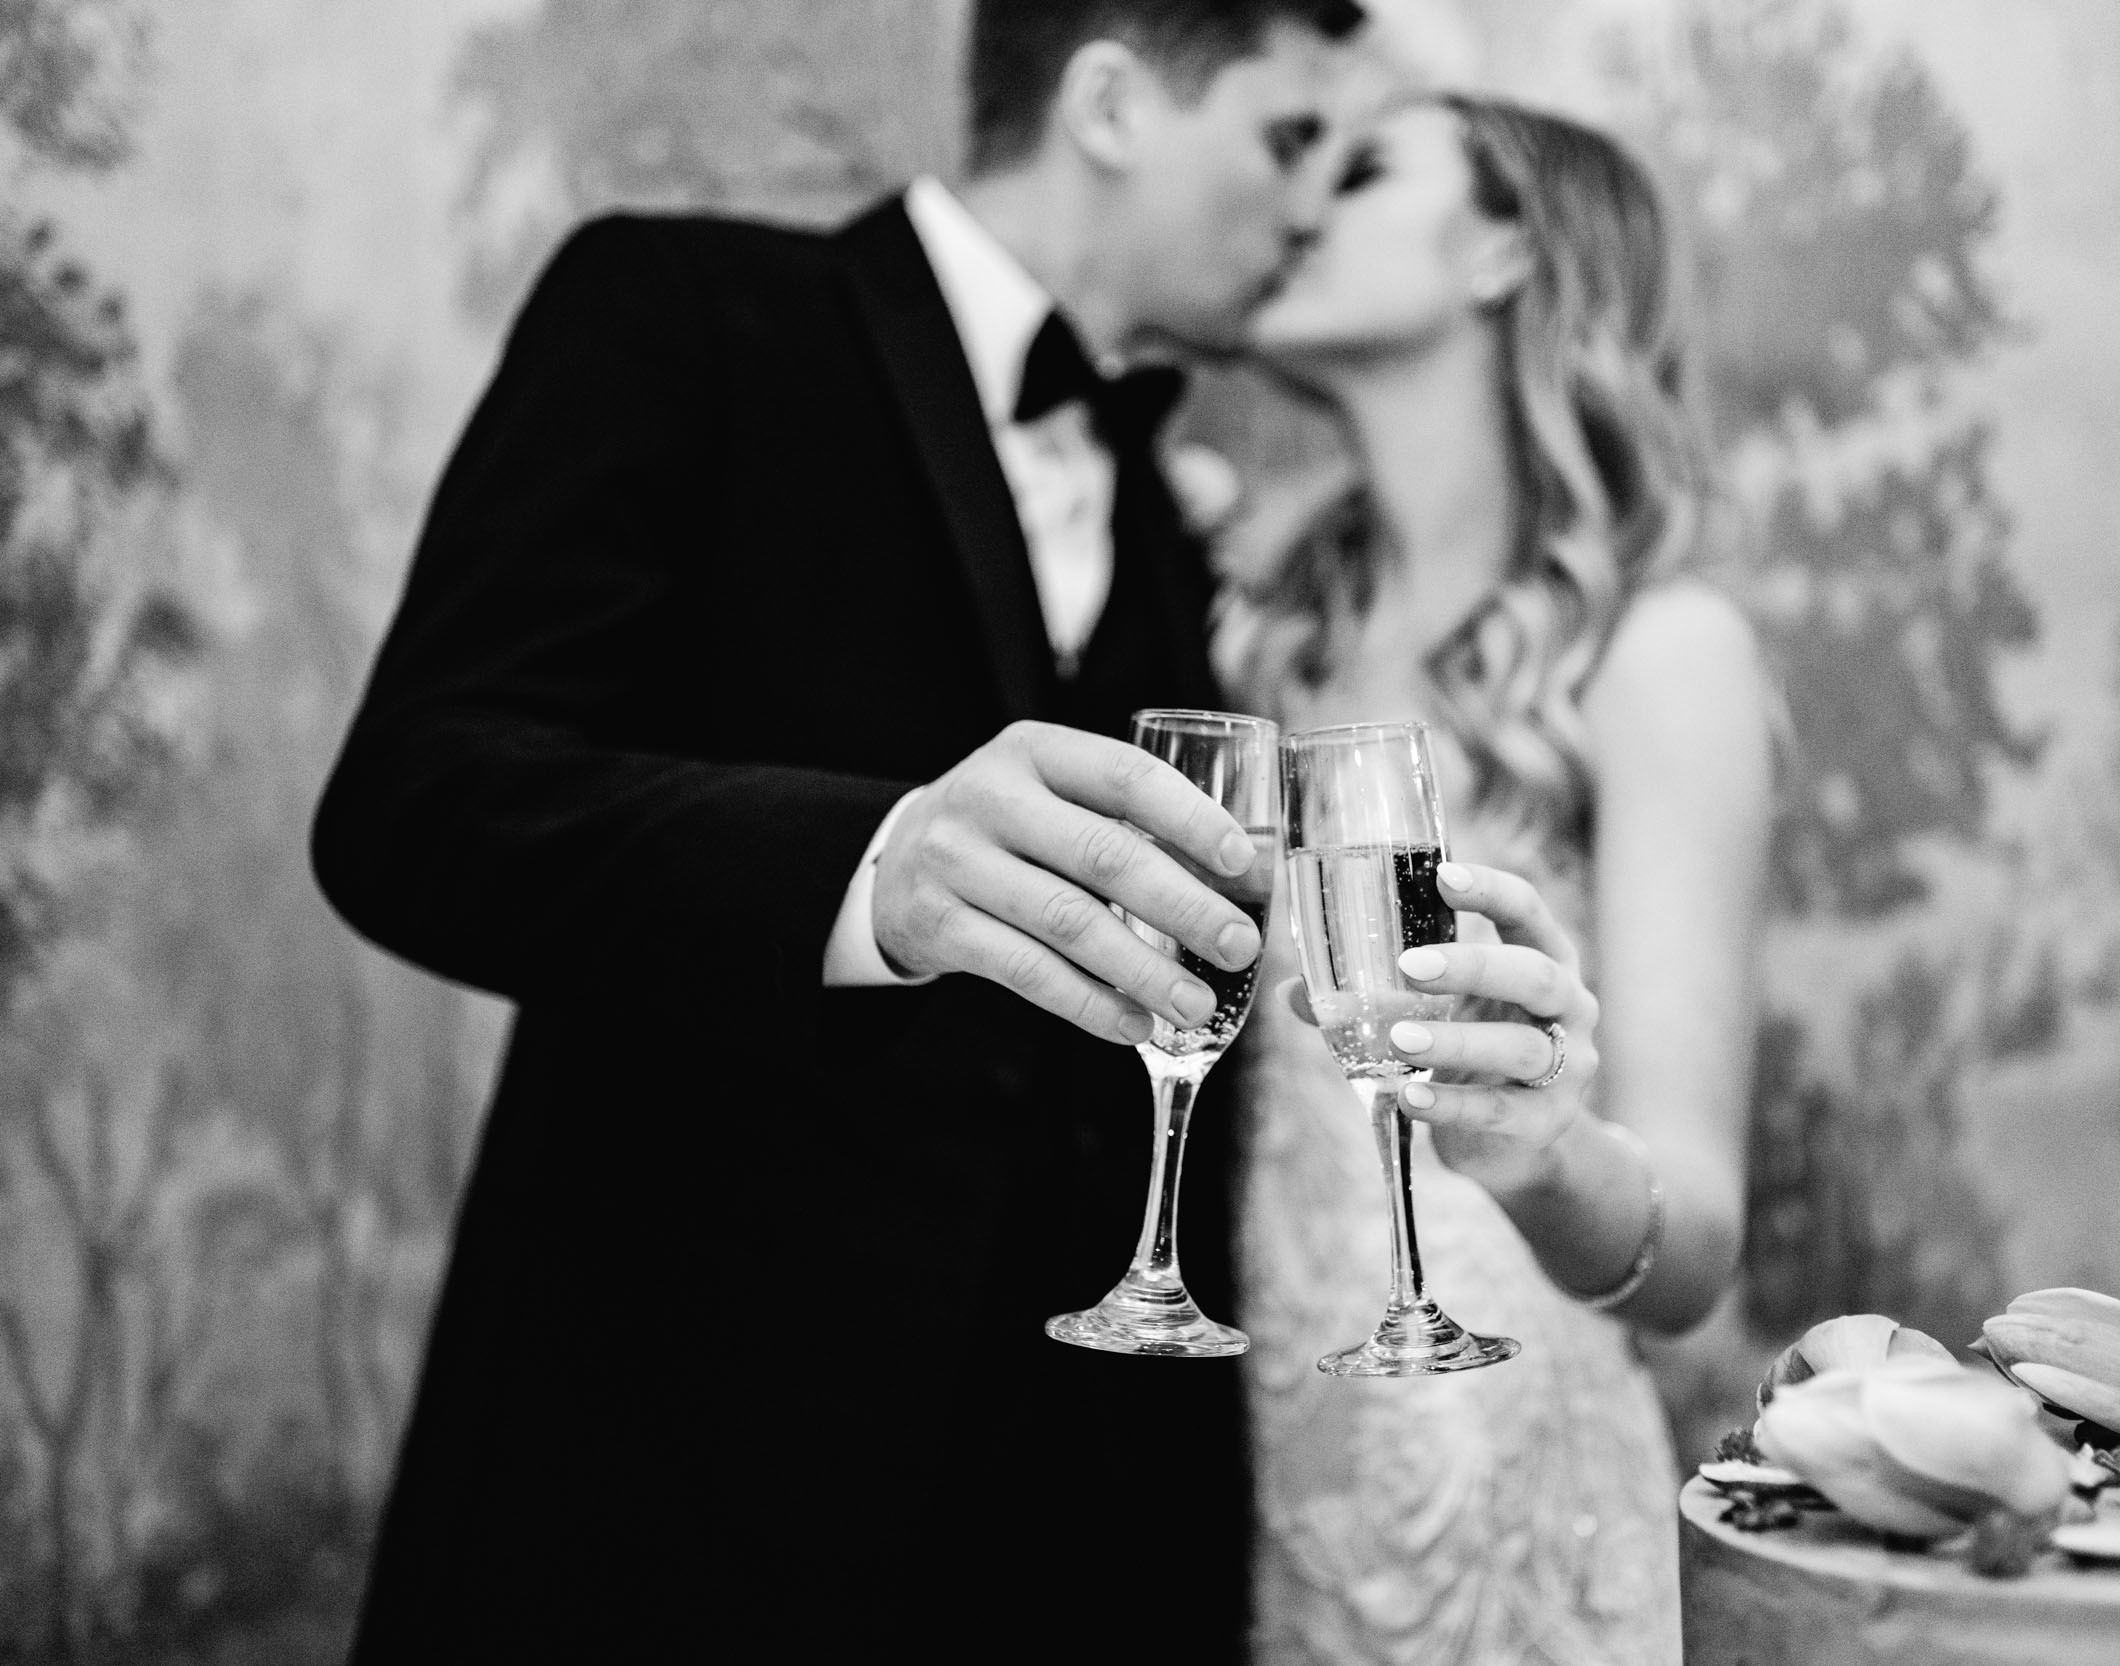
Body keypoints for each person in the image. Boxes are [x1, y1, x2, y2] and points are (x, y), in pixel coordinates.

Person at [311, 3, 1367, 1658]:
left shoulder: (1166, 519)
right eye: (1287, 137)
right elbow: (415, 803)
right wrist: (875, 867)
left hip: (1057, 1546)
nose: (1313, 206)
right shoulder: (682, 312)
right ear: (1108, 104)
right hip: (664, 1505)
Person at [1216, 95, 1776, 1662]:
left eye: (1366, 168)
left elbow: (1692, 1260)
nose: (1298, 196)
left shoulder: (1655, 653)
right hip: (1237, 1501)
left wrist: (1537, 1155)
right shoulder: (1244, 639)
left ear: (1503, 246)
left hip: (1505, 1511)